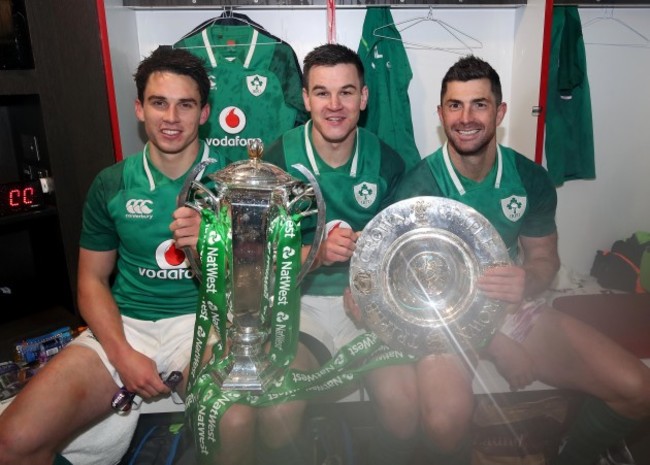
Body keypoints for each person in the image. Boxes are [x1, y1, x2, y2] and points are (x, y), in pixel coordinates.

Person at [345, 55, 650, 465]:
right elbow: (409, 298)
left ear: (500, 111)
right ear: (440, 114)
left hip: (510, 309)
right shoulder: (417, 187)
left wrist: (527, 280)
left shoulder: (529, 177)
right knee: (444, 418)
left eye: (480, 104)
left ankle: (570, 455)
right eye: (455, 105)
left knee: (637, 389)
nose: (466, 117)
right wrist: (495, 344)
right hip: (444, 323)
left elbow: (545, 259)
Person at [0, 46, 284, 465]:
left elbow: (260, 290)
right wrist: (122, 354)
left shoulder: (238, 184)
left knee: (233, 422)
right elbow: (91, 282)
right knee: (14, 439)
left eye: (185, 105)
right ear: (139, 108)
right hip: (128, 325)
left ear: (205, 113)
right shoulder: (112, 182)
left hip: (207, 322)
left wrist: (215, 241)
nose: (171, 118)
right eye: (159, 103)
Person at [172, 43, 414, 465]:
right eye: (322, 93)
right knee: (282, 408)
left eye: (346, 92)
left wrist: (374, 289)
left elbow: (401, 248)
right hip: (296, 308)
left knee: (404, 408)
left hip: (368, 307)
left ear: (364, 97)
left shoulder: (389, 161)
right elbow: (249, 258)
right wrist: (314, 253)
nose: (334, 105)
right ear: (305, 99)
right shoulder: (276, 158)